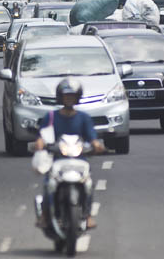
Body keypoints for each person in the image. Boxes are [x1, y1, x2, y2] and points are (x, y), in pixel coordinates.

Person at [34, 79, 104, 229]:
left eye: (72, 96)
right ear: (60, 97)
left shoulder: (83, 118)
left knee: (88, 183)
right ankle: (45, 216)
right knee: (49, 184)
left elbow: (92, 136)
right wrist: (40, 142)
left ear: (77, 97)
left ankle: (88, 214)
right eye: (66, 96)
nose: (69, 99)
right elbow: (42, 134)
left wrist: (96, 144)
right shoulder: (51, 117)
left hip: (79, 159)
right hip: (57, 159)